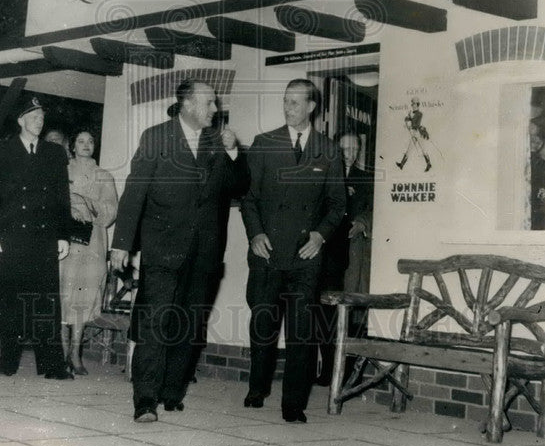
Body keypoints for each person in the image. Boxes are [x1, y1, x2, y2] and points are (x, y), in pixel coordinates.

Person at [110, 79, 248, 423]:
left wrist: (234, 154)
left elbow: (240, 187)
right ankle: (144, 400)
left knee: (188, 325)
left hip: (204, 252)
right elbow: (135, 191)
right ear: (187, 105)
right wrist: (122, 244)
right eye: (209, 104)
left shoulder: (218, 142)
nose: (215, 110)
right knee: (155, 323)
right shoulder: (156, 137)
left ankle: (172, 392)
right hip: (162, 246)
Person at [240, 78, 345, 423]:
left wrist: (320, 236)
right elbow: (249, 198)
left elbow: (336, 205)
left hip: (305, 256)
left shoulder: (329, 151)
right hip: (268, 252)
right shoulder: (264, 143)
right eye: (285, 101)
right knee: (263, 326)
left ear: (311, 106)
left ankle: (293, 404)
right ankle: (257, 388)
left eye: (295, 103)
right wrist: (255, 234)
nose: (288, 108)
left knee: (302, 332)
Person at [0, 95, 74, 379]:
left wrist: (63, 235)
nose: (39, 121)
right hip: (12, 237)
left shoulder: (54, 154)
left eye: (42, 117)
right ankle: (8, 363)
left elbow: (61, 198)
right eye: (33, 117)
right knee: (13, 301)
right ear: (21, 121)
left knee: (46, 302)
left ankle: (51, 365)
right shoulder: (1, 151)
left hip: (44, 238)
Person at [313, 131, 375, 386]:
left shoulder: (367, 179)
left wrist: (362, 223)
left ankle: (349, 374)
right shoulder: (324, 176)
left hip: (352, 256)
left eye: (353, 149)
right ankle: (328, 371)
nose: (348, 154)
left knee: (351, 313)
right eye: (343, 148)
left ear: (359, 151)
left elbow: (373, 208)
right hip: (327, 256)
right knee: (326, 312)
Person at [60, 129, 118, 374]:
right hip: (66, 242)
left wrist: (86, 202)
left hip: (92, 242)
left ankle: (75, 354)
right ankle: (61, 353)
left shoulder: (103, 176)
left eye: (90, 141)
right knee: (63, 294)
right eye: (80, 141)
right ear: (73, 146)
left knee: (83, 298)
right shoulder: (63, 171)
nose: (85, 145)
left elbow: (111, 211)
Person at [396, 97, 431, 172]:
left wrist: (410, 118)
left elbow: (416, 125)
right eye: (412, 104)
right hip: (413, 133)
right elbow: (406, 120)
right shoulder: (412, 113)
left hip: (417, 133)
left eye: (414, 104)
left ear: (417, 105)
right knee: (409, 149)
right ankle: (402, 164)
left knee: (423, 149)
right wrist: (408, 117)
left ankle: (429, 164)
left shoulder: (419, 114)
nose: (412, 105)